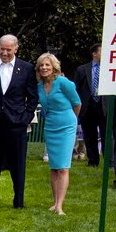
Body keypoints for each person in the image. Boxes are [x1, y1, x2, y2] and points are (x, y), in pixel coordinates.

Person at [0, 35, 38, 209]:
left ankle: (18, 202)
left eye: (8, 49)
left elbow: (32, 97)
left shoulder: (26, 68)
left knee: (18, 164)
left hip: (16, 123)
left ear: (16, 49)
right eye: (2, 49)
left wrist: (25, 118)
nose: (4, 53)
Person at [36, 53, 81, 216]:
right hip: (50, 125)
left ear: (54, 67)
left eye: (47, 65)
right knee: (54, 167)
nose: (44, 68)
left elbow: (77, 103)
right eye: (41, 65)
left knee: (63, 167)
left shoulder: (63, 82)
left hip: (66, 124)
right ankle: (55, 203)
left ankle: (60, 206)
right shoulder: (39, 86)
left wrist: (71, 120)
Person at [74, 44, 103, 167]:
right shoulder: (82, 69)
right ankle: (93, 161)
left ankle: (111, 162)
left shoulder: (110, 70)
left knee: (107, 135)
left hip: (103, 105)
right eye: (102, 51)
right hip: (88, 106)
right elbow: (77, 88)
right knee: (89, 135)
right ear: (94, 53)